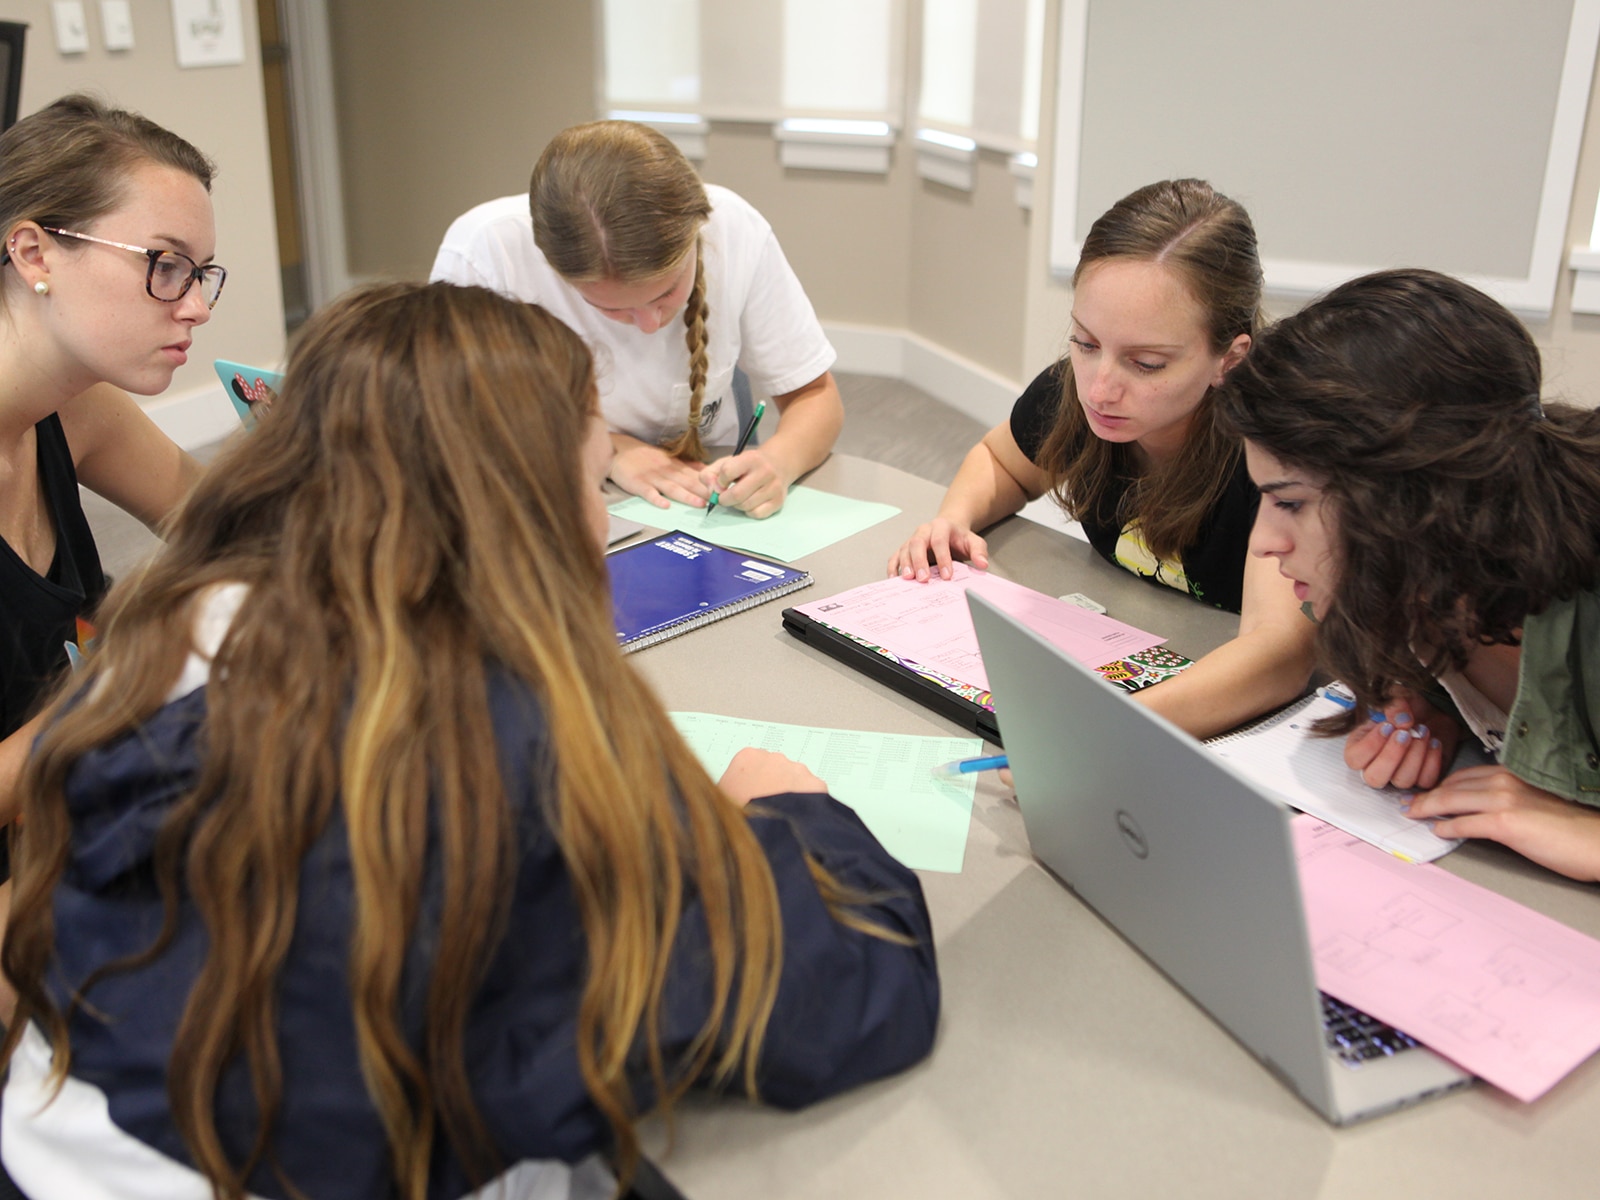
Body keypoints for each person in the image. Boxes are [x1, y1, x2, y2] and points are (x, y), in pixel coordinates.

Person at [0, 282, 939, 1199]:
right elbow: (854, 986)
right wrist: (791, 814)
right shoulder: (504, 772)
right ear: (522, 505)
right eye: (587, 479)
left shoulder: (198, 619)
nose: (604, 520)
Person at [888, 180, 1314, 737]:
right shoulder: (1073, 394)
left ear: (1228, 360)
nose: (1100, 389)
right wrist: (954, 519)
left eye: (1147, 363)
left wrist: (1104, 729)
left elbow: (1279, 656)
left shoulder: (1271, 451)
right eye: (1086, 343)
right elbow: (1002, 462)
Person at [1219, 267, 1600, 883]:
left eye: (1290, 503)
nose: (1263, 542)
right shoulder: (1426, 578)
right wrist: (1431, 700)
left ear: (1415, 504)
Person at [431, 120, 843, 520]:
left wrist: (778, 460)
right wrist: (608, 450)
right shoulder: (486, 252)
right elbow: (457, 425)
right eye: (612, 309)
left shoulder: (734, 229)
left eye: (666, 294)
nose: (649, 324)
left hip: (706, 492)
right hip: (554, 486)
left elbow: (815, 396)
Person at [0, 94, 217, 846]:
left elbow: (224, 521)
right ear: (33, 253)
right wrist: (116, 693)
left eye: (201, 273)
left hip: (76, 821)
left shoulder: (78, 409)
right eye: (165, 266)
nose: (195, 305)